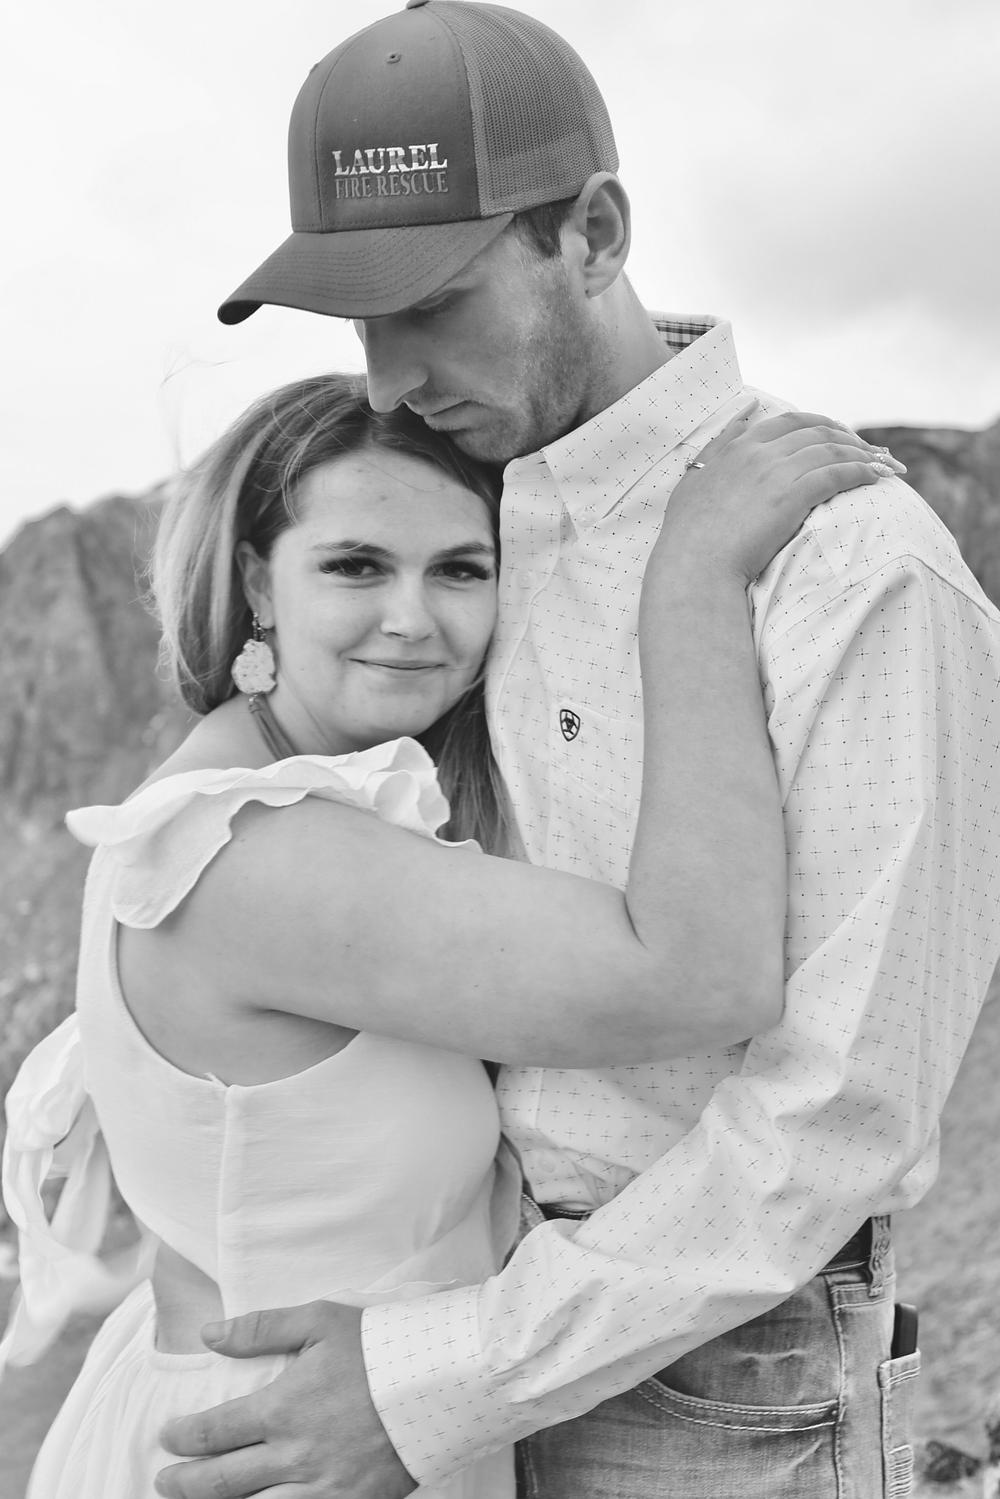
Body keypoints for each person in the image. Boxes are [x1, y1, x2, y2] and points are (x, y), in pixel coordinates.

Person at [147, 6, 1000, 1499]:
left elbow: (840, 1116)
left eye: (433, 303)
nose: (389, 377)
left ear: (593, 233)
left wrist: (446, 1376)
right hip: (424, 1316)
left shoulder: (853, 566)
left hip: (712, 1392)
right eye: (360, 322)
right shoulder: (455, 528)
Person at [0, 372, 880, 1494]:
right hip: (288, 1449)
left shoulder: (263, 797)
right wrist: (693, 581)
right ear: (258, 582)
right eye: (356, 565)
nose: (413, 619)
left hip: (303, 1418)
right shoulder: (261, 853)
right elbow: (703, 977)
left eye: (460, 568)